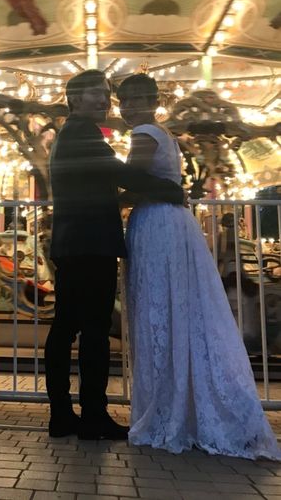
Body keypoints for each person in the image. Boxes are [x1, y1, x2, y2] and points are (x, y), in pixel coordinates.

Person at [118, 74, 280, 459]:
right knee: (178, 311)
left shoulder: (144, 133)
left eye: (136, 99)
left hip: (156, 224)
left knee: (159, 310)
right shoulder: (165, 135)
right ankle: (187, 403)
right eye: (123, 101)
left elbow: (132, 183)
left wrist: (96, 193)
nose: (128, 108)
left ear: (153, 102)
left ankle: (167, 410)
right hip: (170, 222)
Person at [46, 70, 185, 439]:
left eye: (106, 94)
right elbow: (119, 172)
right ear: (75, 98)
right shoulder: (82, 132)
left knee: (67, 326)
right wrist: (170, 189)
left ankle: (63, 414)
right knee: (93, 329)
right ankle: (92, 415)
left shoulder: (71, 133)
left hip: (75, 243)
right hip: (91, 243)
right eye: (96, 93)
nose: (104, 100)